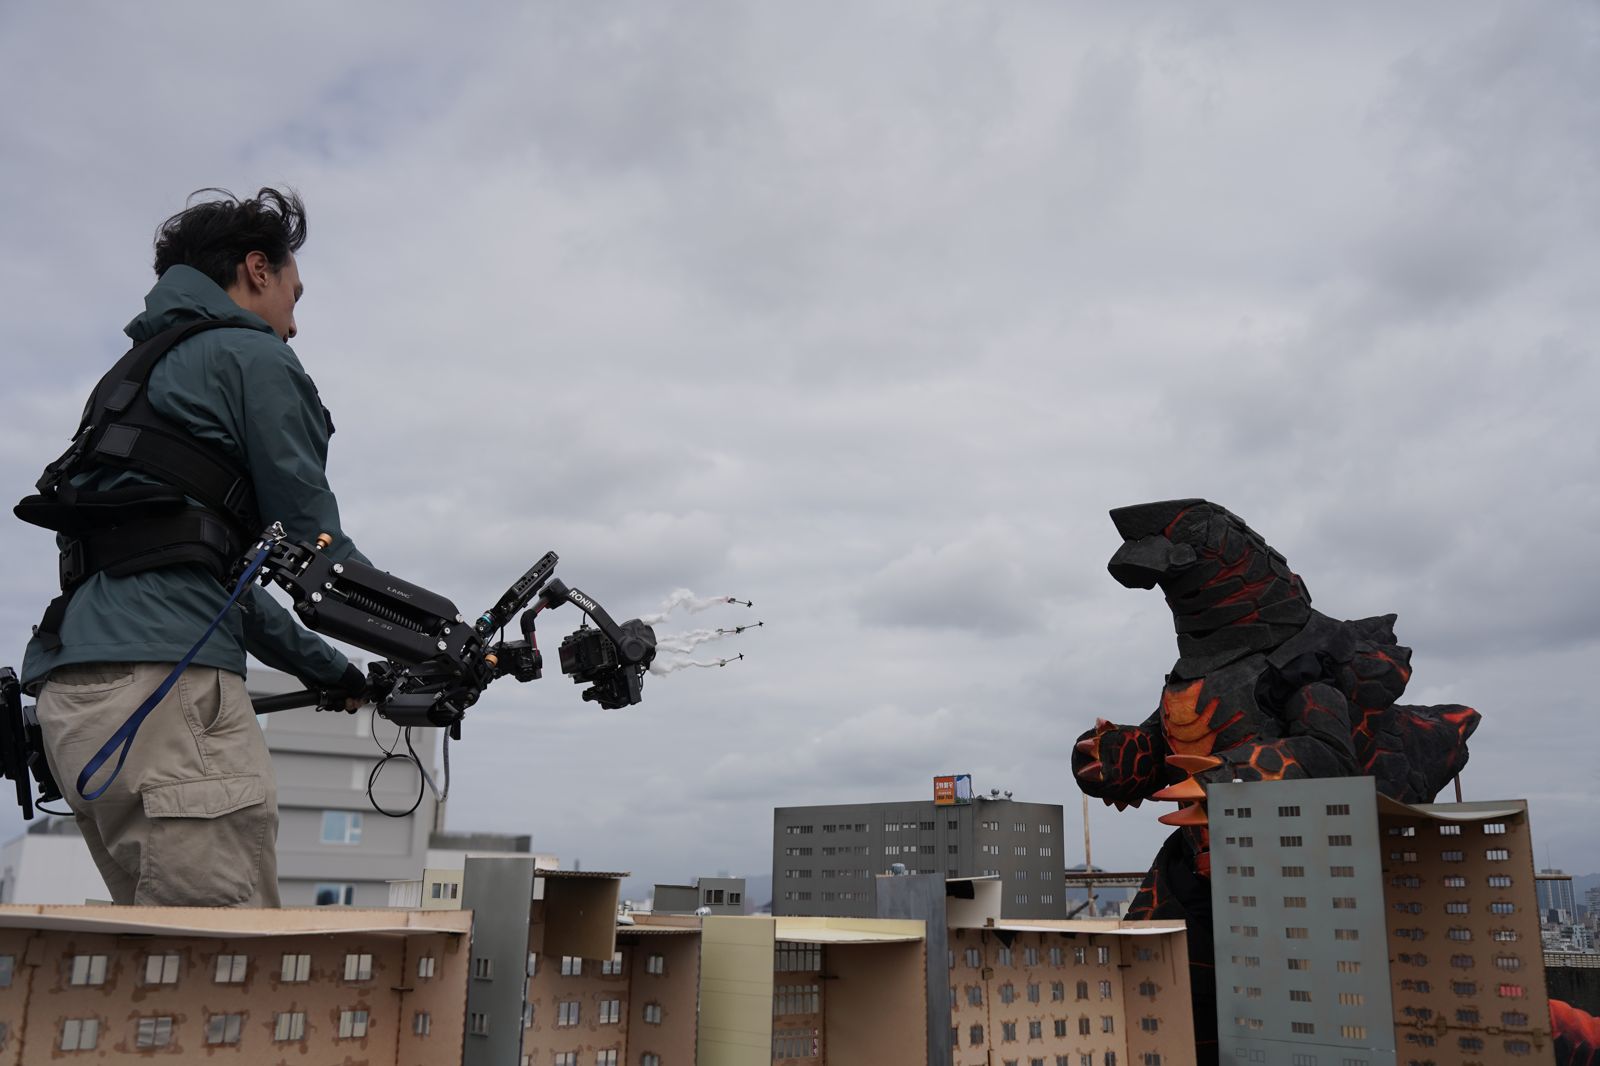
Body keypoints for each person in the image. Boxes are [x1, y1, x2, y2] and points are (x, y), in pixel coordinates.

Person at [16, 188, 369, 906]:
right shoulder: (252, 357)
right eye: (294, 295)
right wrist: (443, 643)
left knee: (162, 951)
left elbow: (209, 584)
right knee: (221, 955)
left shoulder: (127, 382)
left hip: (74, 705)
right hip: (166, 700)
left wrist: (336, 672)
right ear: (257, 270)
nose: (294, 324)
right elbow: (316, 550)